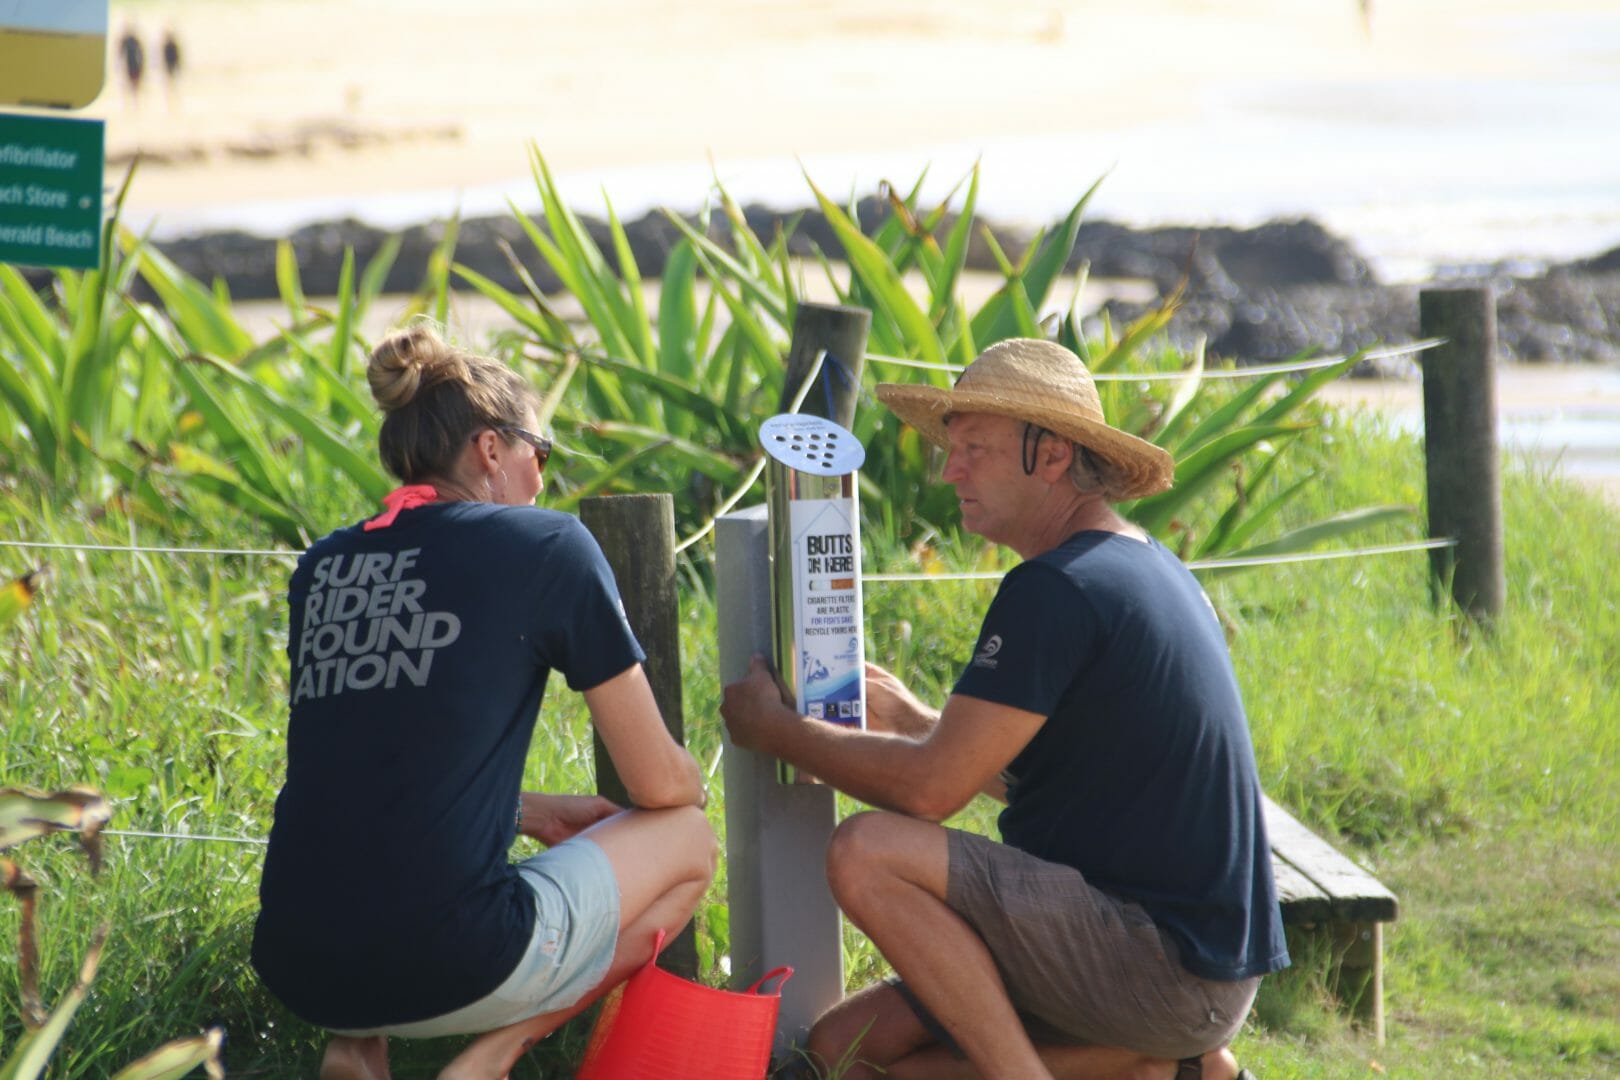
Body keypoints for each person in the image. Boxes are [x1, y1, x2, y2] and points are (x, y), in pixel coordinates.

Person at [721, 338, 1287, 1080]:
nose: (951, 470)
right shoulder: (1137, 561)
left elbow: (932, 792)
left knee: (867, 852)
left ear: (1051, 456)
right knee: (841, 1053)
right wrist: (917, 721)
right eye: (952, 448)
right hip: (1197, 968)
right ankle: (1169, 1070)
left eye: (976, 449)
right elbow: (1049, 779)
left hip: (1157, 962)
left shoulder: (1057, 589)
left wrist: (779, 732)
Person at [252, 325, 716, 1080]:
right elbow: (658, 786)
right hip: (456, 959)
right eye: (542, 453)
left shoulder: (322, 566)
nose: (543, 481)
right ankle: (489, 1058)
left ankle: (355, 1040)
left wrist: (530, 812)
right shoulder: (545, 545)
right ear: (491, 450)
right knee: (690, 842)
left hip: (297, 962)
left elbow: (368, 756)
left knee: (382, 926)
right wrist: (689, 784)